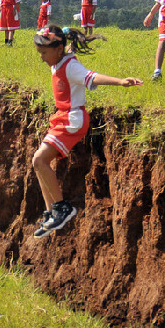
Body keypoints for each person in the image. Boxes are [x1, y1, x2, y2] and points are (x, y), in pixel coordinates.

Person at [31, 26, 143, 238]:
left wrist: (120, 81)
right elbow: (67, 49)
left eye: (44, 53)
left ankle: (62, 209)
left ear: (58, 49)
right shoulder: (60, 58)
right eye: (40, 53)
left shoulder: (70, 67)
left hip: (72, 120)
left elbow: (92, 77)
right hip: (62, 118)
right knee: (39, 164)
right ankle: (51, 212)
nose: (42, 58)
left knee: (39, 160)